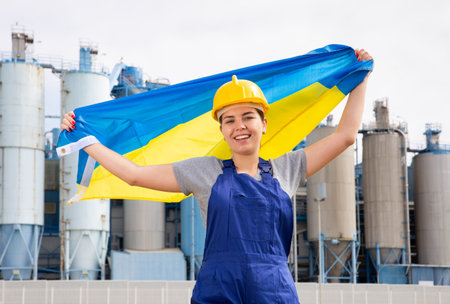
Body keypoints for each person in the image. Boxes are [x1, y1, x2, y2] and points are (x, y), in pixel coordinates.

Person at [61, 49, 372, 303]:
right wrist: (86, 140)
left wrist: (361, 76)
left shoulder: (287, 168)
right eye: (229, 120)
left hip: (274, 291)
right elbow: (134, 175)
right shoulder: (203, 171)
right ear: (222, 130)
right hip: (218, 290)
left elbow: (345, 136)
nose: (239, 126)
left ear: (264, 123)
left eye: (248, 117)